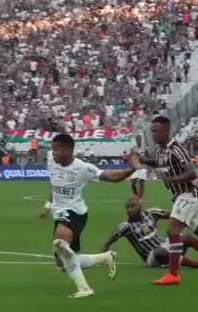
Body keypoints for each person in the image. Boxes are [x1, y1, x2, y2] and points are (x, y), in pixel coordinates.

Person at [39, 133, 141, 298]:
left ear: (68, 150)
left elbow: (111, 177)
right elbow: (56, 185)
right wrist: (47, 206)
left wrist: (132, 169)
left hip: (74, 213)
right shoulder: (51, 161)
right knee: (62, 263)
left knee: (59, 243)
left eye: (57, 150)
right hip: (59, 214)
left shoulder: (83, 168)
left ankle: (84, 288)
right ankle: (105, 258)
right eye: (53, 149)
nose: (53, 153)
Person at [143, 115, 198, 285]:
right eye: (152, 131)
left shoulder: (176, 148)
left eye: (157, 131)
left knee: (173, 229)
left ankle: (173, 274)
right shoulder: (159, 149)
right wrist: (143, 161)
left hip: (188, 194)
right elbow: (161, 163)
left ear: (167, 131)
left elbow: (192, 173)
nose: (153, 134)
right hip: (178, 196)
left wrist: (171, 179)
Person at [101, 197, 198, 269]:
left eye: (133, 206)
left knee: (187, 238)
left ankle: (174, 259)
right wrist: (104, 257)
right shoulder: (125, 226)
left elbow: (170, 215)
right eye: (127, 208)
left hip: (164, 244)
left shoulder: (151, 213)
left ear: (140, 205)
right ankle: (194, 264)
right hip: (152, 256)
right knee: (161, 252)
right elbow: (108, 241)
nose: (130, 209)